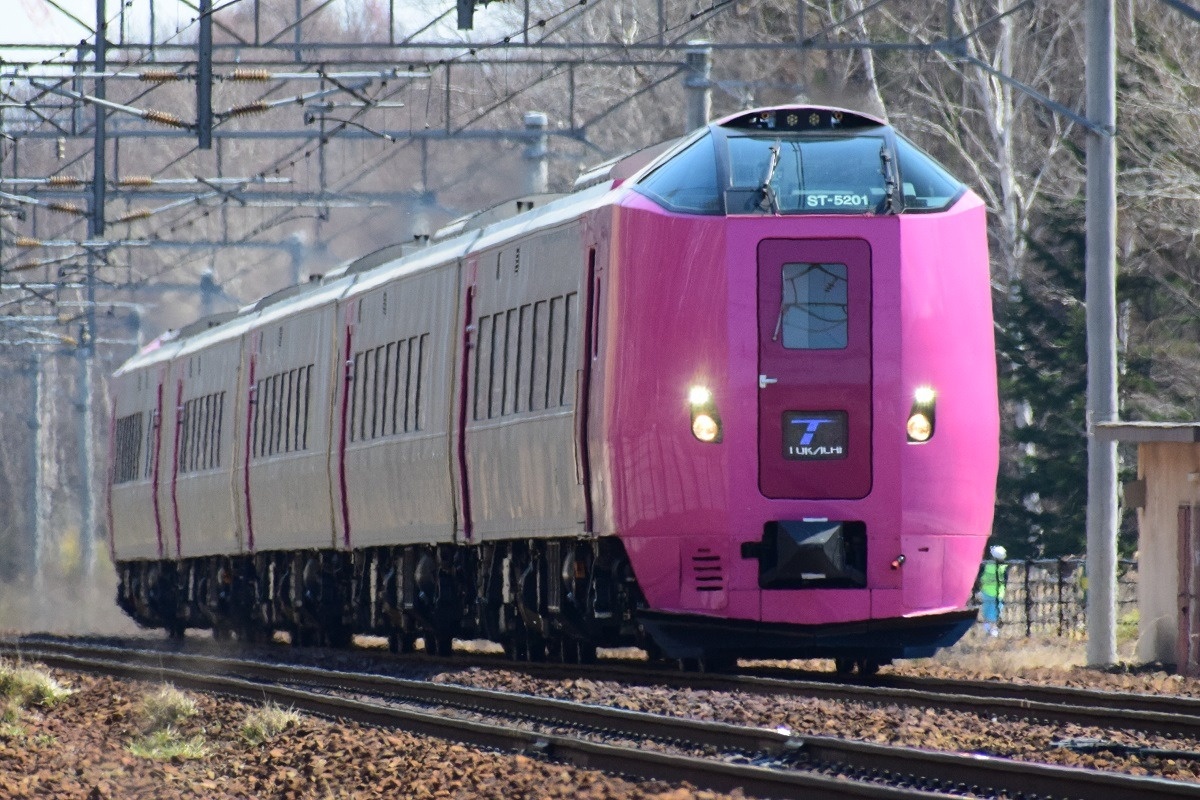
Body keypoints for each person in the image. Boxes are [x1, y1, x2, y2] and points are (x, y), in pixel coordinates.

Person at [979, 545, 1009, 637]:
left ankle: (987, 628)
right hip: (999, 593)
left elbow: (980, 577)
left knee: (987, 611)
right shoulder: (1004, 568)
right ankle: (994, 630)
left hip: (986, 592)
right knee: (997, 611)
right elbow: (1005, 580)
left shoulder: (986, 566)